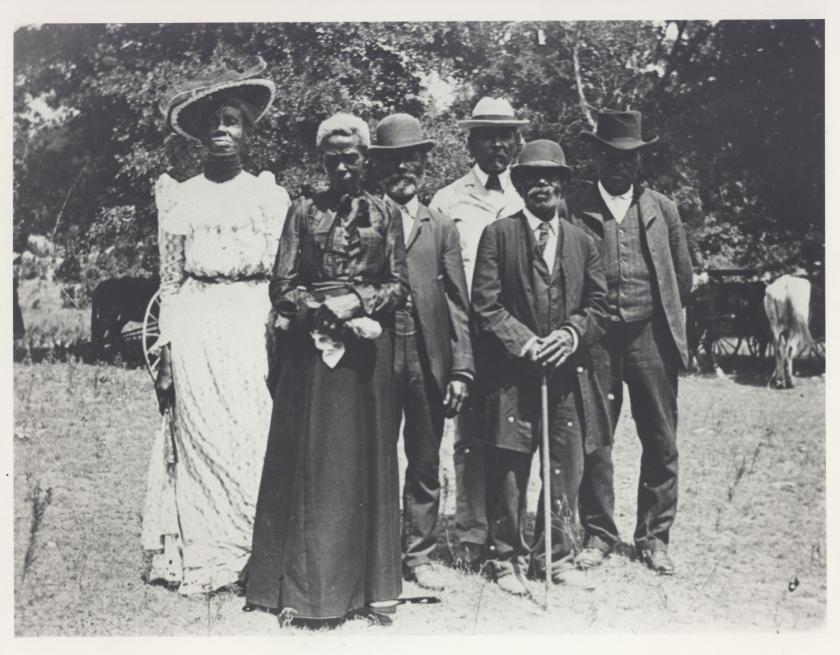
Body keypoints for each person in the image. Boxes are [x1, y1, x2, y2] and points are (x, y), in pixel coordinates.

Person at [245, 113, 409, 627]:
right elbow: (282, 284)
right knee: (312, 464)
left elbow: (399, 284)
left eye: (352, 156)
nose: (342, 164)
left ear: (365, 159)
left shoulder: (386, 213)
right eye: (333, 156)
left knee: (363, 462)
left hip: (365, 359)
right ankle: (304, 590)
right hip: (310, 357)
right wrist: (324, 312)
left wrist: (358, 302)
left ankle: (366, 590)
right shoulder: (301, 211)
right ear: (322, 160)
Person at [142, 56, 291, 594]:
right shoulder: (180, 196)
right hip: (199, 324)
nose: (222, 132)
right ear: (200, 137)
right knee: (202, 436)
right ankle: (206, 554)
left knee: (250, 433)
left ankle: (254, 550)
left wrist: (280, 333)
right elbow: (172, 281)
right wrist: (167, 349)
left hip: (252, 324)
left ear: (248, 132)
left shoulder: (269, 197)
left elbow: (283, 278)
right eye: (214, 124)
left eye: (232, 121)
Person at [471, 139, 609, 596]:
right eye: (531, 178)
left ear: (564, 185)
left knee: (564, 466)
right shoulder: (499, 235)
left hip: (566, 375)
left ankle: (556, 555)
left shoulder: (583, 241)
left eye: (551, 178)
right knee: (510, 464)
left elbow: (598, 305)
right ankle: (504, 557)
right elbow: (485, 306)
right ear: (520, 184)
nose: (542, 185)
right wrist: (526, 343)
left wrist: (569, 335)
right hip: (512, 375)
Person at [565, 110, 693, 576]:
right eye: (611, 155)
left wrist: (657, 319)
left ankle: (654, 537)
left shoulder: (663, 209)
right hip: (595, 341)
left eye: (630, 157)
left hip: (650, 337)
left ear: (640, 161)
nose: (620, 165)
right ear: (597, 156)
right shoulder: (573, 207)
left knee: (660, 438)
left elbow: (683, 277)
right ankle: (598, 533)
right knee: (595, 439)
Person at [368, 113, 474, 591]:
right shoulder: (364, 218)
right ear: (379, 167)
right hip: (376, 357)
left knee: (425, 460)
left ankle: (420, 553)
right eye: (392, 162)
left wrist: (461, 370)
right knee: (375, 454)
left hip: (429, 357)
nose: (402, 170)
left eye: (411, 160)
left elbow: (457, 301)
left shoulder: (443, 226)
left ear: (424, 165)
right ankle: (377, 550)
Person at [429, 97, 527, 569]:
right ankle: (470, 535)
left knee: (511, 437)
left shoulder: (528, 195)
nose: (498, 145)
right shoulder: (447, 200)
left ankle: (510, 534)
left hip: (514, 337)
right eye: (488, 135)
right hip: (466, 335)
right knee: (469, 437)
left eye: (506, 135)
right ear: (470, 141)